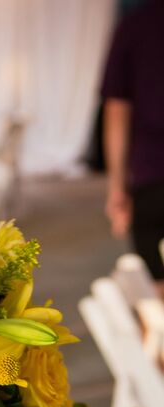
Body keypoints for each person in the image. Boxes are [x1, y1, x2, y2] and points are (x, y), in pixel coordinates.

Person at [101, 0, 164, 295]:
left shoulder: (136, 25)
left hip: (153, 175)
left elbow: (117, 111)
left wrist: (117, 189)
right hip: (152, 172)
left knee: (155, 293)